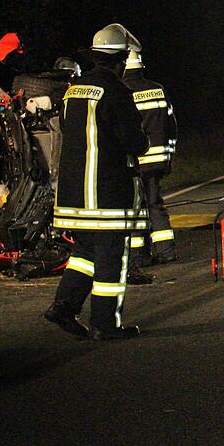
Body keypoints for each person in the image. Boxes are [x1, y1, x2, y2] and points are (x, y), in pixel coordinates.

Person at [44, 24, 149, 341]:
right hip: (107, 194)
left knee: (85, 253)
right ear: (120, 60)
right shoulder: (118, 92)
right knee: (110, 261)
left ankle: (63, 307)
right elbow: (134, 142)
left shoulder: (72, 91)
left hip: (74, 195)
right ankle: (105, 324)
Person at [122, 43, 179, 280]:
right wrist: (169, 155)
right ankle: (166, 251)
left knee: (135, 209)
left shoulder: (121, 91)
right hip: (158, 160)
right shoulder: (158, 89)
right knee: (155, 204)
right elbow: (172, 126)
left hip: (135, 162)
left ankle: (138, 256)